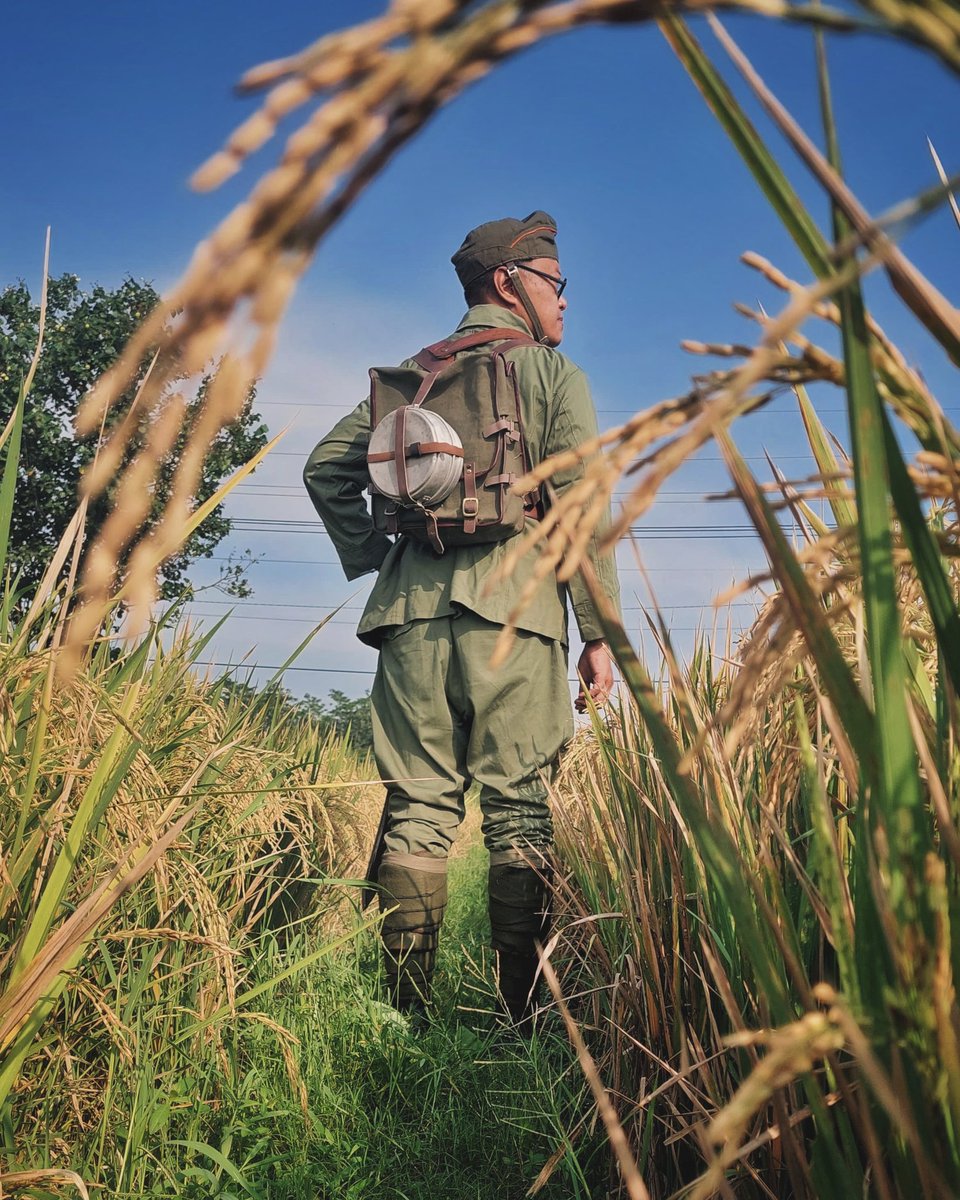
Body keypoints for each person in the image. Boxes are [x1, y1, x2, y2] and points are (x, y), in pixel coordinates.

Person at [303, 210, 621, 1028]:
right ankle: (522, 1020)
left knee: (418, 807)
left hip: (409, 620)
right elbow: (583, 511)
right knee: (519, 807)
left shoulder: (410, 377)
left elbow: (327, 469)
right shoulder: (554, 377)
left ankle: (401, 1020)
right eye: (556, 285)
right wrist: (596, 633)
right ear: (510, 283)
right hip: (516, 616)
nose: (565, 303)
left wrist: (388, 556)